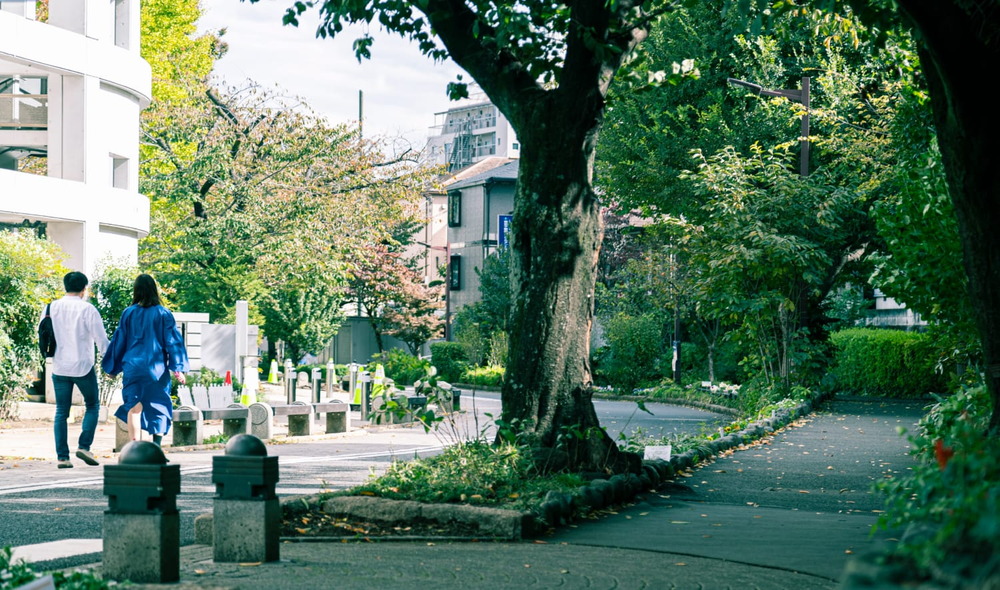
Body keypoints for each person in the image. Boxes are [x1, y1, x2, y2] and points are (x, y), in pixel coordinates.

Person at [102, 274, 188, 447]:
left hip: (132, 368)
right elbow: (173, 341)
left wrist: (112, 368)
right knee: (159, 407)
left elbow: (120, 341)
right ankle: (156, 447)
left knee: (134, 408)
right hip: (155, 369)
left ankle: (134, 448)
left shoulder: (128, 313)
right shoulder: (163, 314)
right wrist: (178, 368)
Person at [45, 271, 109, 469]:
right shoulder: (88, 309)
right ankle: (84, 446)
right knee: (92, 406)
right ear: (84, 288)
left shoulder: (51, 306)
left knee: (61, 411)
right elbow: (101, 340)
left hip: (60, 365)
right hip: (83, 366)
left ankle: (63, 457)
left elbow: (44, 331)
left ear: (65, 286)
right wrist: (111, 363)